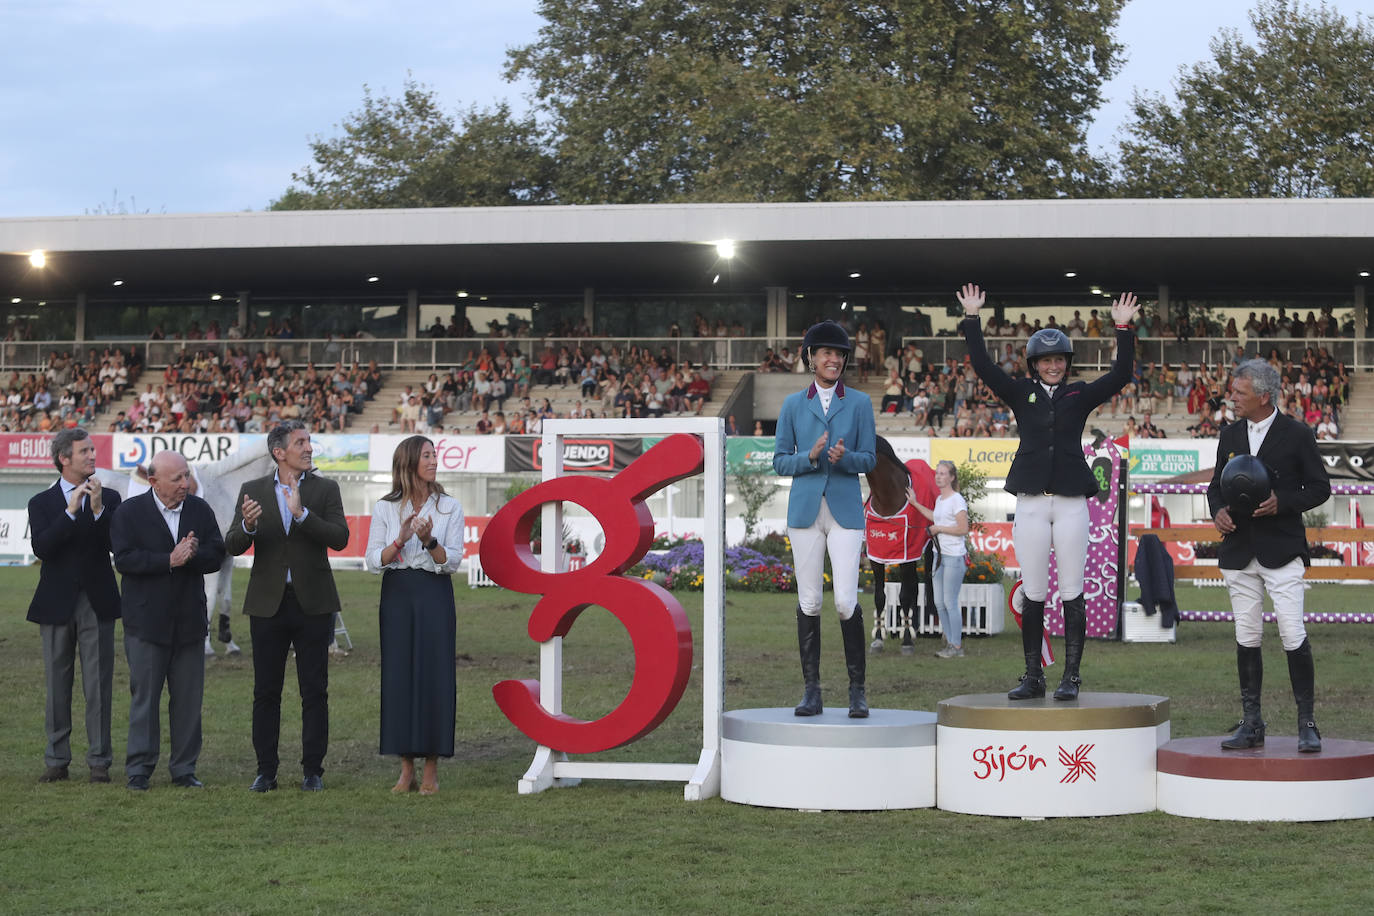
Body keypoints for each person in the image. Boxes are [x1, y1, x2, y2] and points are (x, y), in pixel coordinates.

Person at [957, 283, 1138, 701]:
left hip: (1072, 502)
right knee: (1034, 590)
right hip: (1032, 502)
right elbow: (984, 366)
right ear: (1034, 363)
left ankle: (1071, 677)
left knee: (1072, 589)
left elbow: (1121, 374)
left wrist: (1123, 329)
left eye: (1059, 360)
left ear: (1066, 363)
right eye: (1046, 360)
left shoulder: (1079, 393)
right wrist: (971, 319)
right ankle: (1032, 675)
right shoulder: (1022, 392)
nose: (1053, 366)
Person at [1207, 360, 1330, 753]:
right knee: (1247, 635)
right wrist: (1218, 512)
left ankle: (1307, 724)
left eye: (1239, 393)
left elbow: (1320, 488)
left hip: (1283, 548)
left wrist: (1283, 503)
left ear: (1264, 396)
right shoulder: (1228, 434)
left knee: (1293, 634)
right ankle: (1251, 722)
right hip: (1239, 550)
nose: (1232, 398)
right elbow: (1215, 488)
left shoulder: (1297, 434)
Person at [226, 420, 350, 792]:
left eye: (309, 441)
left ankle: (313, 771)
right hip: (267, 606)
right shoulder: (252, 490)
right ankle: (266, 771)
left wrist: (302, 516)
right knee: (266, 691)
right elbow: (232, 543)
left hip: (314, 603)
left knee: (315, 691)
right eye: (300, 442)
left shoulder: (326, 489)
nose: (309, 447)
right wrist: (247, 527)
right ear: (279, 453)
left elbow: (341, 538)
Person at [773, 320, 877, 718]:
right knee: (811, 601)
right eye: (827, 353)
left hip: (846, 510)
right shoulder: (792, 405)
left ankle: (857, 691)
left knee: (847, 602)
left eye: (839, 354)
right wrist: (811, 456)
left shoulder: (861, 404)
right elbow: (780, 461)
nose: (834, 359)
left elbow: (868, 458)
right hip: (805, 512)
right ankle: (812, 691)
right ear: (811, 358)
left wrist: (843, 458)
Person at [109, 451, 225, 790]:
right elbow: (125, 560)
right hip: (145, 623)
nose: (185, 484)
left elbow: (216, 555)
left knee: (188, 701)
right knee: (144, 698)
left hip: (189, 623)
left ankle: (184, 769)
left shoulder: (200, 510)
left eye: (186, 476)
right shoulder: (129, 512)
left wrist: (191, 556)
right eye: (177, 479)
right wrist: (169, 560)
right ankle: (139, 770)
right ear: (153, 480)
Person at [365, 436, 464, 795]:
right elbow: (373, 560)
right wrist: (400, 539)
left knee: (434, 675)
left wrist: (429, 541)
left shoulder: (450, 507)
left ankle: (431, 769)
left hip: (434, 594)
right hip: (396, 596)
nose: (434, 460)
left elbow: (451, 561)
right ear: (409, 462)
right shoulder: (385, 508)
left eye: (435, 454)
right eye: (427, 455)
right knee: (399, 677)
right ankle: (405, 768)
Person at [26, 428, 123, 783]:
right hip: (55, 604)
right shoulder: (41, 503)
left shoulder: (110, 497)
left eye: (92, 450)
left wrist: (97, 511)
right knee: (57, 684)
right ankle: (57, 760)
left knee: (98, 684)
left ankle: (99, 761)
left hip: (97, 602)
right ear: (64, 458)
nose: (92, 456)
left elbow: (116, 545)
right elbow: (43, 548)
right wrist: (70, 512)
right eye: (84, 451)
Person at [906, 461, 969, 658]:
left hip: (953, 556)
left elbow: (963, 528)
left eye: (943, 474)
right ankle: (951, 643)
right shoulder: (941, 500)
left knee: (949, 602)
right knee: (940, 602)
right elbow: (936, 517)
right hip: (939, 556)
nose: (939, 476)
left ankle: (956, 646)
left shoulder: (956, 500)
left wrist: (940, 529)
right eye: (938, 473)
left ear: (951, 477)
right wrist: (915, 503)